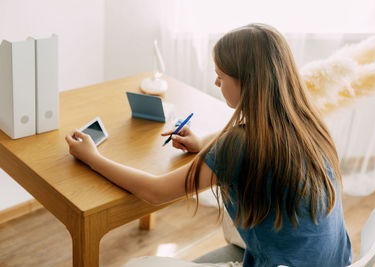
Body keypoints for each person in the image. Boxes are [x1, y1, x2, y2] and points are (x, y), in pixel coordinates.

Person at [65, 23, 352, 267]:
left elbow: (155, 192)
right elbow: (253, 137)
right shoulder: (308, 120)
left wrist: (93, 157)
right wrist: (202, 142)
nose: (216, 83)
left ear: (249, 83)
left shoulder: (239, 145)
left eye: (221, 76)